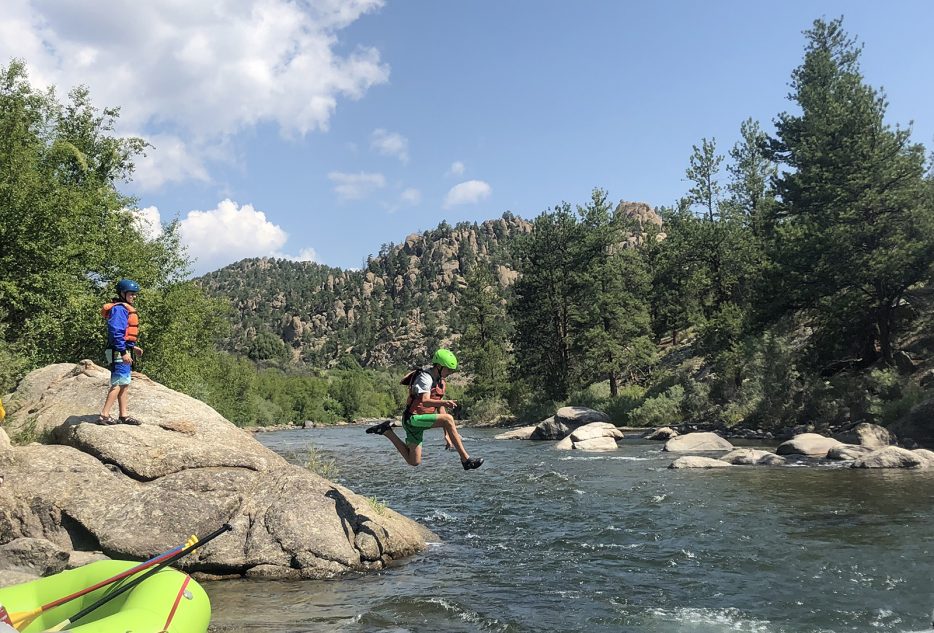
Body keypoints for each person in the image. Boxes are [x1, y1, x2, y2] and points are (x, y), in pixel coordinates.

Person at [367, 349, 483, 470]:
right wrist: (445, 402)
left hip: (419, 421)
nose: (450, 372)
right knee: (449, 418)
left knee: (414, 461)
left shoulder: (441, 382)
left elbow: (440, 408)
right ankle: (466, 460)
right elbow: (425, 401)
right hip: (413, 418)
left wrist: (447, 434)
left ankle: (386, 431)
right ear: (439, 366)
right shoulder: (425, 378)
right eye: (448, 369)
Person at [97, 279, 144, 425]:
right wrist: (124, 352)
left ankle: (123, 415)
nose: (133, 297)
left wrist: (132, 347)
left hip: (122, 349)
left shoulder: (124, 308)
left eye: (135, 294)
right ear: (123, 293)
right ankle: (104, 415)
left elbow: (123, 334)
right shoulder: (119, 309)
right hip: (118, 351)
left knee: (124, 383)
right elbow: (116, 332)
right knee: (118, 382)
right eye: (131, 294)